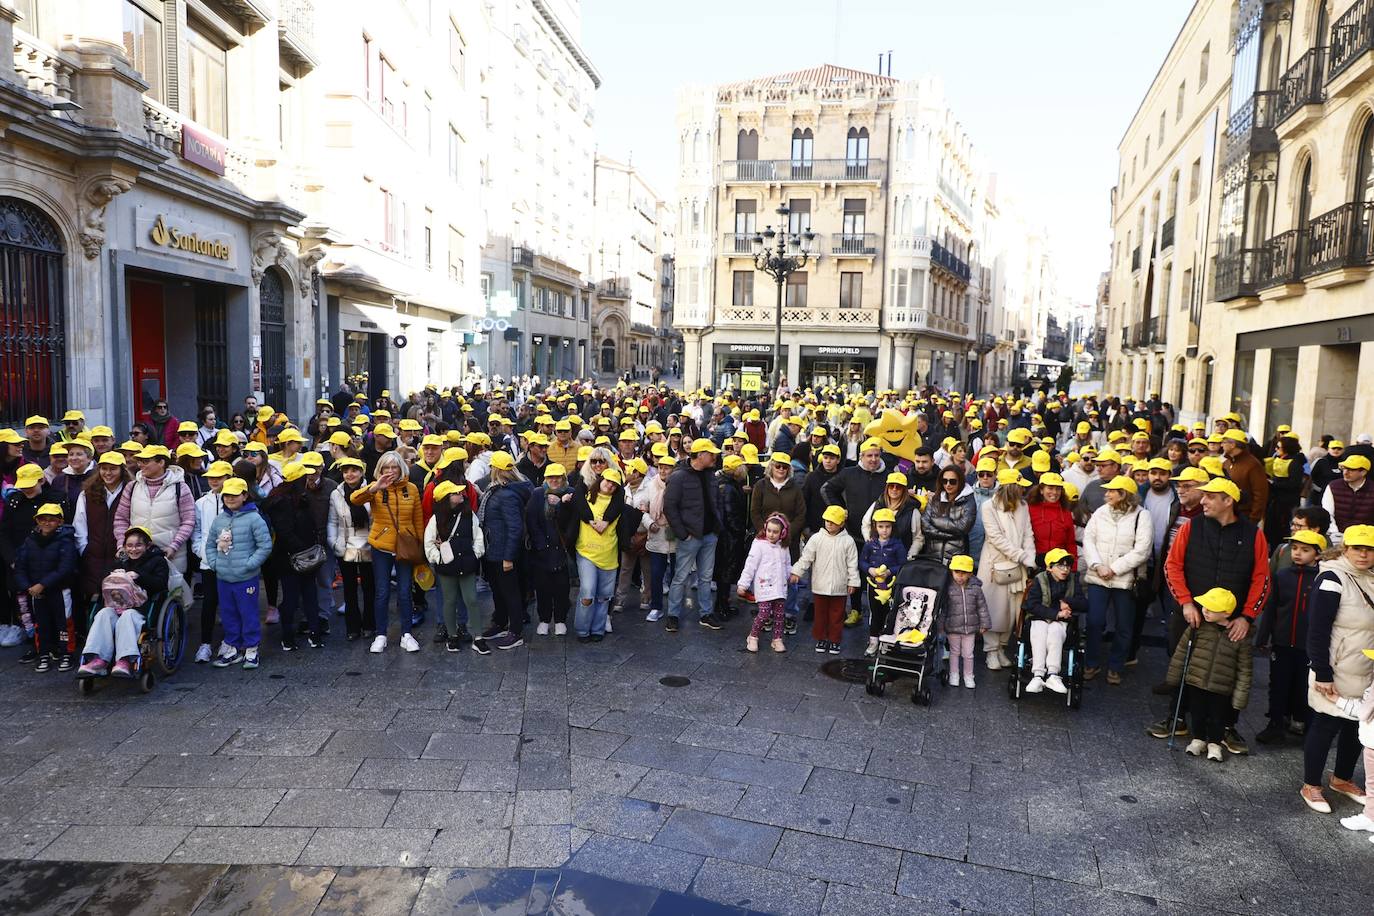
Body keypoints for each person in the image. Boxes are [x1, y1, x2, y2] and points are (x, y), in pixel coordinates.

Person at [1161, 477, 1271, 755]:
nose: (1204, 500)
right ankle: (1178, 718)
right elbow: (1172, 566)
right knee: (1182, 665)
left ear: (1228, 501)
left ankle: (1225, 728)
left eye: (1211, 497)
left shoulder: (1253, 533)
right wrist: (1186, 603)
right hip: (1190, 613)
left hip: (1232, 621)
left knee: (1230, 676)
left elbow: (1262, 579)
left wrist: (1247, 616)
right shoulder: (1192, 526)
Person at [1300, 523, 1374, 813]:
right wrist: (1322, 672)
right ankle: (1311, 784)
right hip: (1335, 667)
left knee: (1358, 726)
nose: (1364, 555)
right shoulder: (1332, 577)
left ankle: (1342, 778)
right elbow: (1317, 630)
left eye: (1370, 549)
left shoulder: (1371, 577)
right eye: (1358, 548)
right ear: (1346, 548)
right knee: (1325, 724)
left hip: (1366, 669)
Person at [1165, 587, 1253, 762]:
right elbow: (1182, 651)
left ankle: (1214, 743)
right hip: (1196, 681)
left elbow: (1245, 668)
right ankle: (1198, 739)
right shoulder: (1197, 627)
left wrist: (1240, 696)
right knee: (1197, 712)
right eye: (1204, 606)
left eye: (1211, 608)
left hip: (1222, 687)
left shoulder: (1239, 636)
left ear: (1226, 612)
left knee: (1218, 716)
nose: (1204, 610)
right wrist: (1173, 677)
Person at [1255, 529, 1325, 745]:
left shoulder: (1323, 578)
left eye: (1305, 550)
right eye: (1294, 548)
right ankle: (1275, 723)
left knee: (1304, 686)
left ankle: (1304, 724)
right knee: (1278, 684)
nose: (1297, 553)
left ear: (1318, 554)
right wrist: (1262, 637)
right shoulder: (1282, 575)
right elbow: (1272, 608)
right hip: (1282, 642)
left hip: (1308, 646)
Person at [351, 450, 425, 655]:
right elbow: (355, 498)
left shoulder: (411, 488)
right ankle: (381, 634)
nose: (391, 471)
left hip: (405, 547)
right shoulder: (375, 488)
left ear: (401, 468)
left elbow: (417, 518)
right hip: (381, 546)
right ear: (380, 470)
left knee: (404, 591)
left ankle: (406, 634)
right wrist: (375, 487)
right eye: (386, 467)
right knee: (382, 592)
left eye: (394, 467)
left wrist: (419, 547)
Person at [1081, 476, 1152, 685]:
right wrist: (1097, 565)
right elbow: (1088, 540)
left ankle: (1116, 666)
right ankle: (1091, 662)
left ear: (1124, 494)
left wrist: (1114, 569)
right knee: (1094, 622)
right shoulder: (1100, 513)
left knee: (1124, 625)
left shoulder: (1142, 516)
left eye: (1112, 491)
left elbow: (1143, 550)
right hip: (1097, 577)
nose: (1107, 494)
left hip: (1125, 580)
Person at [76, 527, 170, 678]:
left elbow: (161, 585)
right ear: (125, 546)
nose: (133, 549)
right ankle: (97, 659)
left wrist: (139, 576)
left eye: (138, 545)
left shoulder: (158, 561)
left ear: (148, 546)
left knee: (127, 616)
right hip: (115, 606)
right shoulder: (119, 562)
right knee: (103, 614)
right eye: (130, 545)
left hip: (141, 610)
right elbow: (103, 588)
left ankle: (125, 660)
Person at [261, 462, 325, 651]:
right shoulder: (284, 501)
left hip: (294, 556)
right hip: (292, 557)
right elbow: (285, 531)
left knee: (306, 595)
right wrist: (305, 550)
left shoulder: (288, 497)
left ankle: (312, 633)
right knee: (294, 597)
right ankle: (289, 636)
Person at [977, 468, 1037, 671]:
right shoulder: (989, 506)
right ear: (1012, 487)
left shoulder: (1023, 505)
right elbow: (995, 537)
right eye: (1020, 486)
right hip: (994, 564)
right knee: (994, 607)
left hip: (1019, 566)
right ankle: (990, 650)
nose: (1023, 490)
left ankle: (1002, 647)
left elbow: (1028, 533)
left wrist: (1030, 557)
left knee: (1013, 609)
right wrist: (1021, 556)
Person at [663, 438, 722, 633]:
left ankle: (706, 613)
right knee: (680, 576)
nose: (714, 456)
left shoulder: (711, 475)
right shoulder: (679, 476)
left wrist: (716, 526)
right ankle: (673, 615)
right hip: (690, 536)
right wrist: (682, 533)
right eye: (711, 453)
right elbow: (670, 507)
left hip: (709, 534)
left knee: (706, 577)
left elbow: (717, 501)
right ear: (701, 455)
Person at [476, 451, 532, 651]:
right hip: (494, 550)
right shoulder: (498, 490)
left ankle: (515, 631)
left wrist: (508, 557)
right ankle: (500, 622)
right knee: (499, 591)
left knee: (510, 592)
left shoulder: (507, 494)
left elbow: (515, 527)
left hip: (503, 552)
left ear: (496, 470)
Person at [13, 503, 77, 672]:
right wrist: (28, 587)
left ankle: (66, 653)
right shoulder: (29, 541)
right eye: (43, 519)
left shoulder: (66, 541)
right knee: (41, 624)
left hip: (60, 590)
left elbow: (65, 568)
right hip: (36, 593)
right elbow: (20, 567)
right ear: (37, 521)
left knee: (65, 623)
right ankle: (44, 654)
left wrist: (42, 584)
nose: (47, 523)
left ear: (60, 522)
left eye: (52, 519)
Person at [113, 445, 196, 576]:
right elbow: (120, 519)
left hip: (172, 557)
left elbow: (189, 521)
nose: (140, 464)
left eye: (146, 461)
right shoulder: (132, 487)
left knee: (172, 595)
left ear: (161, 462)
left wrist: (174, 546)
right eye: (140, 461)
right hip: (137, 558)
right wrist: (122, 545)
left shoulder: (181, 488)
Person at [790, 504, 859, 655]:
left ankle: (834, 640)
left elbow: (852, 564)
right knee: (820, 614)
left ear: (841, 523)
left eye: (833, 521)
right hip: (820, 585)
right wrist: (797, 572)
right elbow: (806, 558)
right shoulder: (816, 538)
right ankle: (821, 638)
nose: (829, 523)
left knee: (837, 615)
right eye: (827, 520)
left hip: (839, 587)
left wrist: (853, 581)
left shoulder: (848, 541)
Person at [424, 480, 485, 651]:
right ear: (446, 498)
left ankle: (478, 636)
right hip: (447, 566)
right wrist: (439, 558)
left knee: (471, 599)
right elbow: (428, 542)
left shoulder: (468, 514)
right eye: (456, 493)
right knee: (449, 601)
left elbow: (478, 535)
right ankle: (452, 635)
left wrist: (475, 554)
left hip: (467, 563)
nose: (461, 494)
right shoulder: (436, 519)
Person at [1021, 547, 1085, 694]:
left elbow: (1084, 604)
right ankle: (1037, 675)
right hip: (1040, 618)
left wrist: (1068, 601)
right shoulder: (1039, 580)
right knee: (1040, 631)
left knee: (1055, 631)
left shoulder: (1073, 581)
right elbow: (1031, 605)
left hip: (1061, 624)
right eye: (1060, 565)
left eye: (1067, 565)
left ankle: (1053, 674)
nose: (1065, 569)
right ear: (1050, 568)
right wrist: (1056, 613)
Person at [189, 460, 233, 662]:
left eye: (219, 477)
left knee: (229, 602)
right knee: (209, 602)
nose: (214, 480)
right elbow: (196, 531)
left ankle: (229, 641)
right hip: (208, 561)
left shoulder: (235, 501)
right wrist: (201, 551)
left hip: (232, 562)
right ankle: (205, 643)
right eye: (211, 477)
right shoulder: (201, 503)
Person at [328, 456, 374, 641]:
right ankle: (352, 627)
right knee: (349, 588)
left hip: (367, 543)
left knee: (369, 587)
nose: (349, 474)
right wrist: (334, 543)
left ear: (361, 472)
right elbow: (332, 520)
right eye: (346, 471)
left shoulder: (372, 490)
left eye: (353, 470)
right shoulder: (336, 493)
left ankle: (370, 624)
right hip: (345, 545)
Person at [525, 463, 572, 637]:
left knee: (562, 588)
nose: (554, 480)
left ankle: (560, 620)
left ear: (563, 478)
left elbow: (571, 520)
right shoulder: (537, 494)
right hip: (541, 550)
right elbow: (531, 520)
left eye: (557, 477)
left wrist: (562, 505)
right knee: (542, 587)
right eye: (550, 477)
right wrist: (540, 544)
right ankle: (544, 619)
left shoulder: (571, 493)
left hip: (561, 548)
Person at [738, 513, 792, 654]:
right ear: (765, 529)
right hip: (764, 586)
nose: (771, 534)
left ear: (782, 532)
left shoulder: (784, 547)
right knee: (764, 612)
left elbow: (787, 565)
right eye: (769, 531)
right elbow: (750, 566)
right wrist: (743, 584)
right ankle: (753, 636)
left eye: (775, 532)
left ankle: (777, 639)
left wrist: (790, 576)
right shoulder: (759, 546)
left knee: (780, 614)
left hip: (780, 587)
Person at [859, 507, 907, 655]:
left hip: (890, 584)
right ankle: (873, 641)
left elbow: (902, 564)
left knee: (890, 612)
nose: (884, 530)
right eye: (881, 527)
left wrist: (890, 571)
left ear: (893, 527)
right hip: (873, 584)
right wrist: (869, 570)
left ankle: (886, 641)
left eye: (887, 527)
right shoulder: (870, 544)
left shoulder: (898, 545)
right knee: (875, 612)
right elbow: (862, 561)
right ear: (875, 527)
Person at [942, 554, 990, 689]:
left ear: (970, 574)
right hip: (952, 626)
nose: (960, 576)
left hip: (970, 627)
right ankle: (954, 674)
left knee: (968, 654)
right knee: (954, 652)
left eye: (964, 573)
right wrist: (940, 625)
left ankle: (969, 675)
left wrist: (984, 623)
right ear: (951, 572)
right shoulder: (948, 588)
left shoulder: (975, 588)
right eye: (957, 572)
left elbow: (982, 607)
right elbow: (943, 608)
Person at [920, 465, 976, 565]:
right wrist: (951, 534)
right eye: (944, 481)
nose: (948, 485)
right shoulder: (935, 499)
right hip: (933, 556)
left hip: (957, 558)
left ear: (960, 481)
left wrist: (936, 520)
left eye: (952, 481)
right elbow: (925, 526)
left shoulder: (968, 500)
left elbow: (962, 528)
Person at [1321, 453, 1374, 548]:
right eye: (1344, 468)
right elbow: (1327, 513)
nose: (1345, 472)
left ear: (1363, 472)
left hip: (1365, 540)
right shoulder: (1333, 486)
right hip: (1336, 537)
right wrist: (1335, 534)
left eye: (1351, 469)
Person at [1027, 472, 1076, 568]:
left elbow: (1070, 543)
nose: (1054, 492)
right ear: (1041, 490)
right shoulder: (1029, 509)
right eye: (1050, 488)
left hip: (1060, 565)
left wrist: (1073, 567)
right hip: (1035, 563)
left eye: (1058, 489)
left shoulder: (1066, 513)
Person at [1221, 429, 1268, 524]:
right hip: (1226, 515)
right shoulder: (1226, 463)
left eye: (1224, 442)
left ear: (1232, 444)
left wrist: (1253, 519)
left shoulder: (1253, 464)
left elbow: (1260, 494)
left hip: (1244, 518)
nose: (1221, 445)